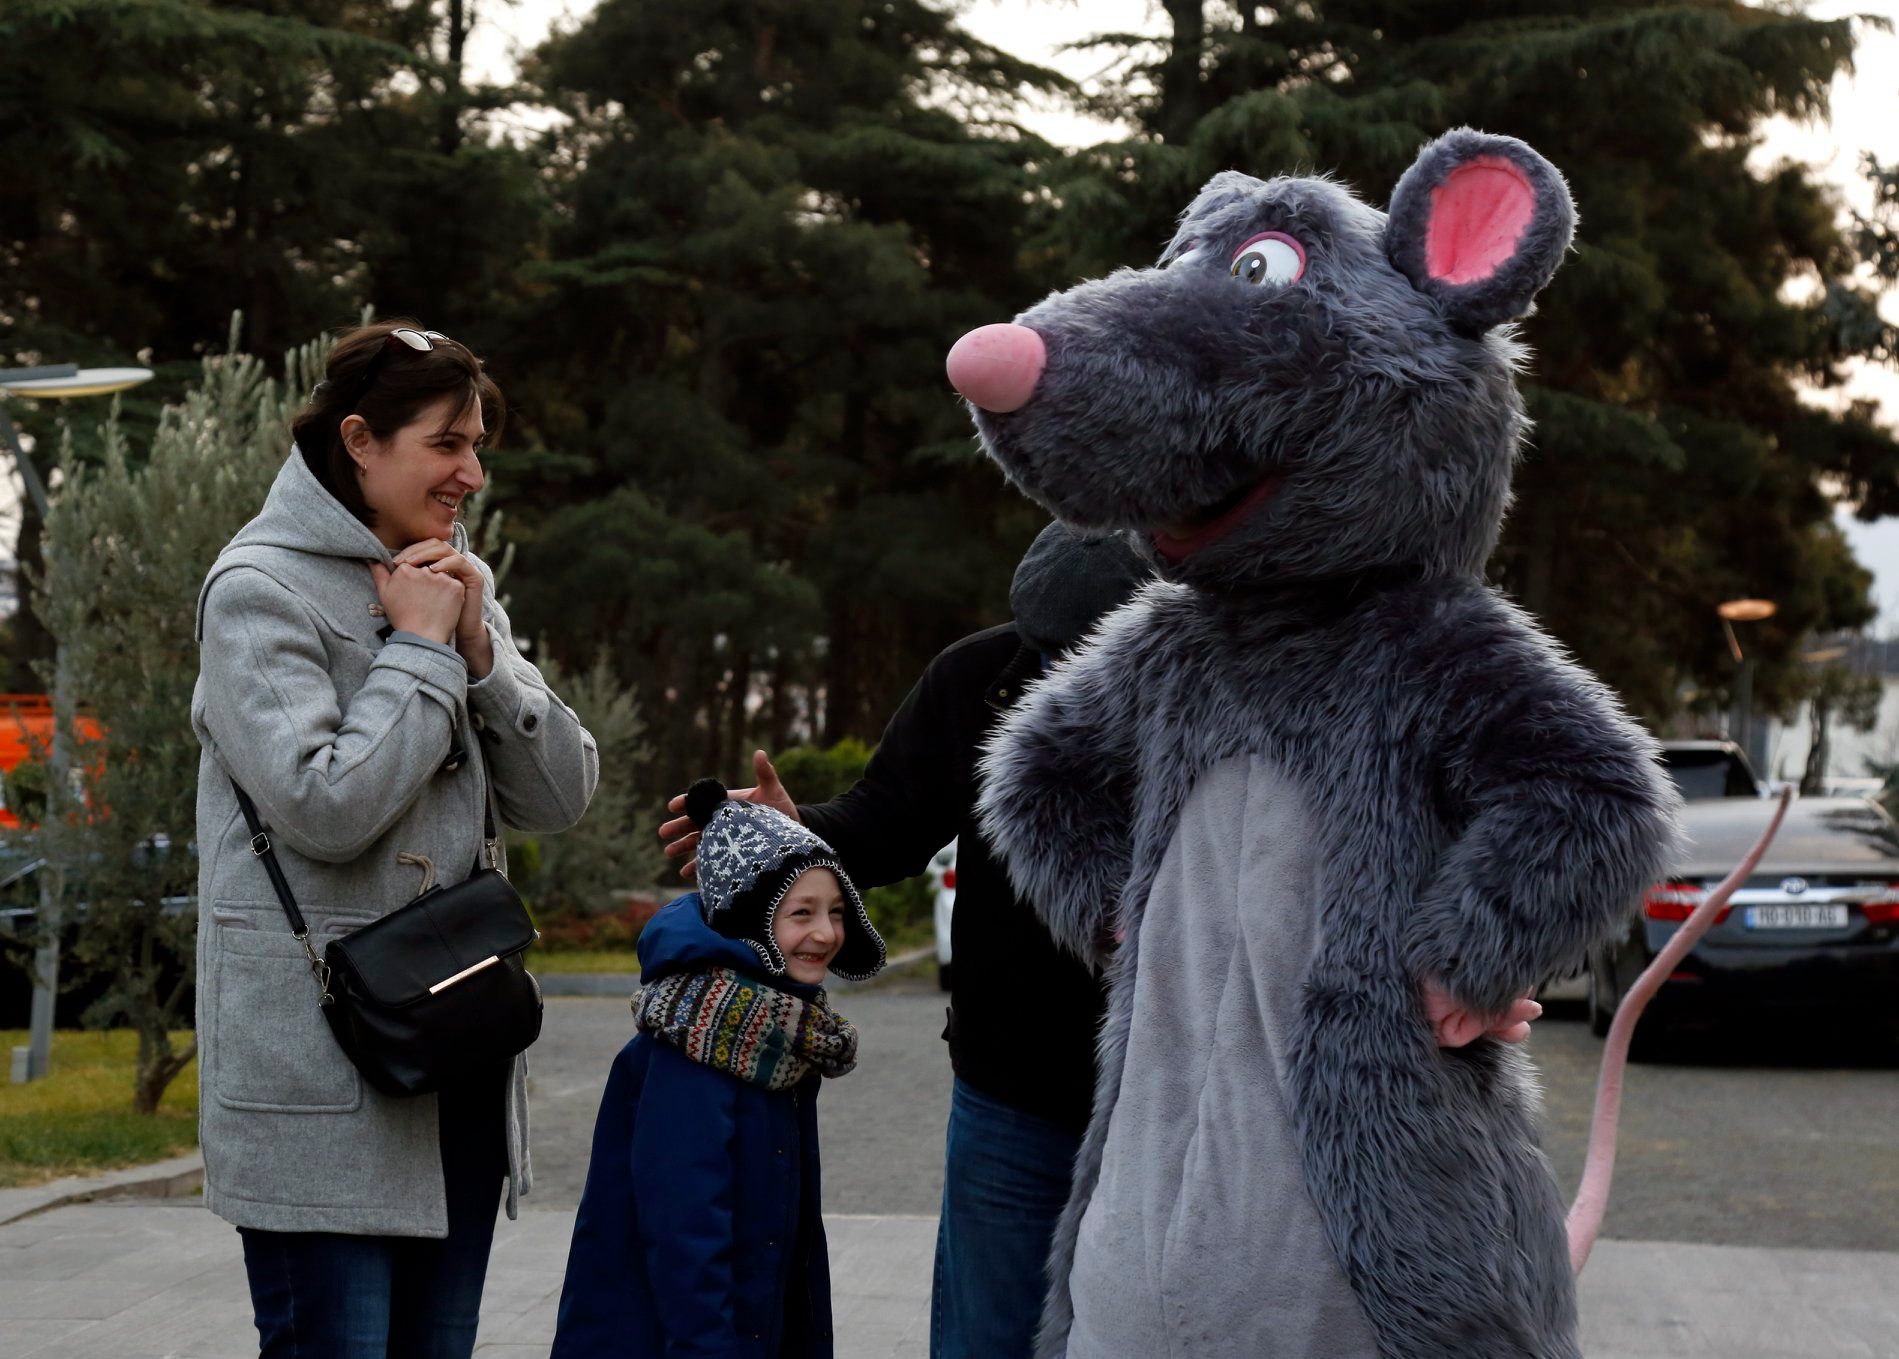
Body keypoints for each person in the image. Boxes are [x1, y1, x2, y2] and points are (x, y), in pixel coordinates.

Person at [658, 522, 1545, 1359]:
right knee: (989, 1336)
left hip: (1191, 1107)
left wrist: (1466, 958)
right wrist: (796, 830)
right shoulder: (976, 679)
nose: (1065, 680)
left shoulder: (1250, 700)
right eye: (1047, 654)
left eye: (1092, 656)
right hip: (1012, 1096)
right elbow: (885, 821)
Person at [192, 320, 599, 1358]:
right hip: (326, 1074)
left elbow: (562, 796)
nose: (472, 474)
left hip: (456, 1052)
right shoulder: (256, 590)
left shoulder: (452, 576)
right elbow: (325, 809)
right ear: (361, 440)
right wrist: (418, 650)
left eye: (478, 446)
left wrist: (479, 654)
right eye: (446, 443)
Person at [552, 779, 886, 1358]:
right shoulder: (699, 1041)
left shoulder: (774, 1032)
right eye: (801, 913)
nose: (826, 933)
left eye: (836, 912)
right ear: (751, 921)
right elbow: (684, 1233)